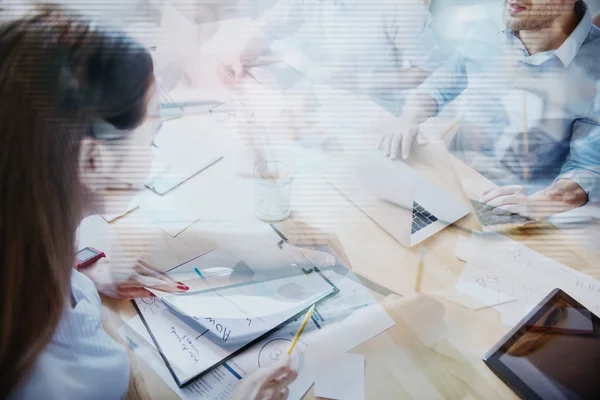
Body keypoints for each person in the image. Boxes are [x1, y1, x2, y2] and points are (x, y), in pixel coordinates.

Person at [0, 6, 296, 399]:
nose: (154, 155)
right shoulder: (40, 376)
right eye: (151, 137)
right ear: (92, 161)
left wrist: (82, 274)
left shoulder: (28, 238)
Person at [379, 0, 600, 222]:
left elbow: (587, 170)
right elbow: (443, 81)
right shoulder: (489, 25)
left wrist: (537, 204)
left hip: (511, 216)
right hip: (448, 182)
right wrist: (409, 117)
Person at [219, 0, 443, 115]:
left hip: (376, 115)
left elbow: (427, 70)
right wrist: (239, 55)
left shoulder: (401, 7)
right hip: (323, 109)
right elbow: (268, 27)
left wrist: (360, 81)